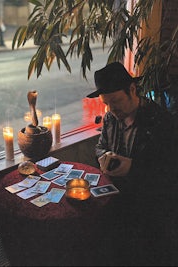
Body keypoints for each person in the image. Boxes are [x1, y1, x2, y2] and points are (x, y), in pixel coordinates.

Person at [87, 62, 178, 266]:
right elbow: (100, 147)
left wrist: (133, 168)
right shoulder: (111, 118)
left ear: (132, 90)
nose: (111, 109)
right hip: (117, 198)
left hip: (149, 206)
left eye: (116, 101)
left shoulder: (161, 122)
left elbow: (170, 174)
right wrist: (102, 156)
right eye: (107, 103)